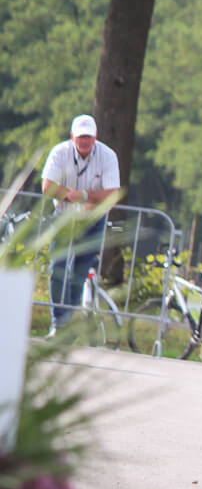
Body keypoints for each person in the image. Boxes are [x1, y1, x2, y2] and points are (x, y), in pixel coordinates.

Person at [40, 114, 121, 335]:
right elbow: (47, 186)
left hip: (93, 221)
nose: (84, 141)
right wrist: (70, 195)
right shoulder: (59, 152)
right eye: (80, 137)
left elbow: (112, 194)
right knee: (57, 268)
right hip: (64, 218)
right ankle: (58, 323)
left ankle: (67, 321)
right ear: (72, 136)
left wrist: (84, 195)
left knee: (79, 273)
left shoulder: (108, 156)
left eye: (88, 137)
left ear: (95, 137)